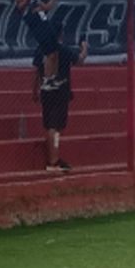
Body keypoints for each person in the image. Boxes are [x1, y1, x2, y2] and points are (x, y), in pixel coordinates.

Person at [34, 34, 85, 173]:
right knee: (55, 128)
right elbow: (80, 60)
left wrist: (35, 89)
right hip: (59, 92)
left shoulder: (41, 49)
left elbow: (36, 71)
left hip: (46, 92)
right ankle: (53, 160)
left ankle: (53, 155)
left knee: (50, 125)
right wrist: (84, 48)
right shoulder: (62, 49)